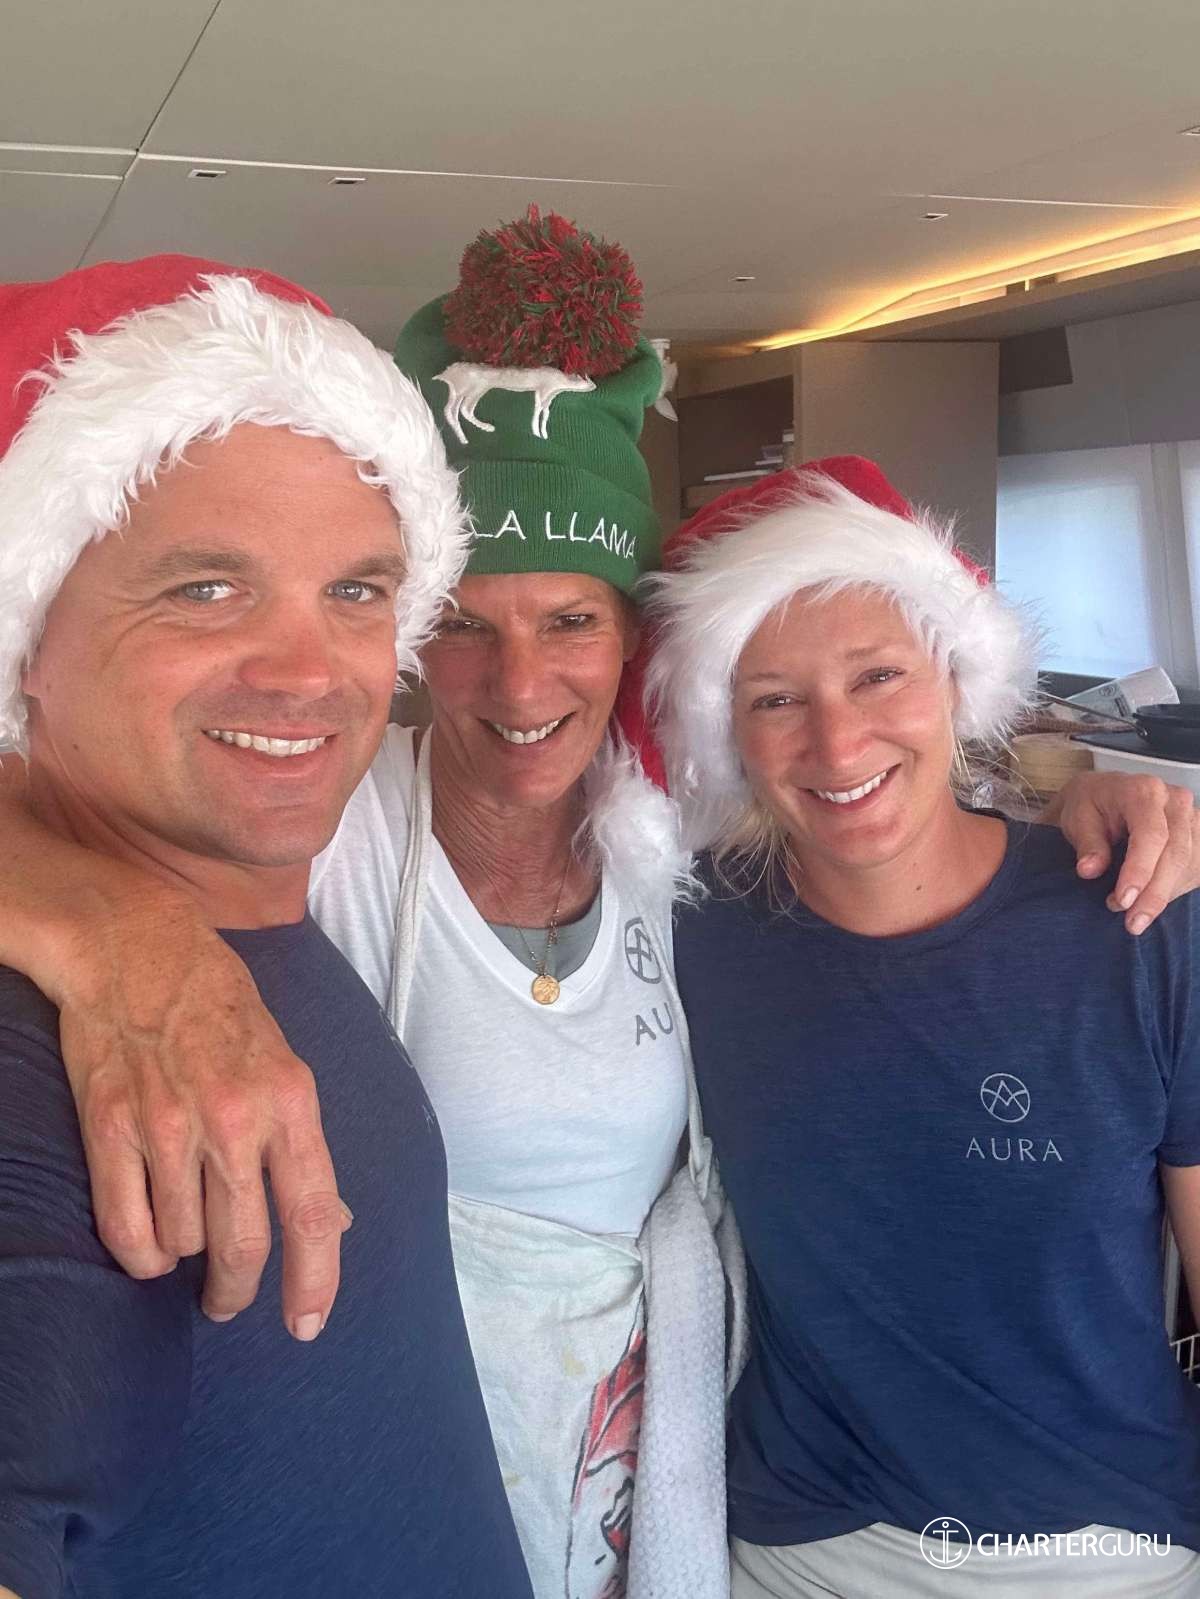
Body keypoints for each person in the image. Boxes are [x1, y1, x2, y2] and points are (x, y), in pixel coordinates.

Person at [0, 225, 1195, 1599]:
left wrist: (1090, 799)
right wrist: (107, 927)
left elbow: (873, 819)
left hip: (672, 1496)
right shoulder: (317, 822)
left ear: (631, 643)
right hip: (740, 1528)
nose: (520, 685)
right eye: (464, 623)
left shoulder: (683, 861)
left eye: (571, 620)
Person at [0, 255, 533, 1599]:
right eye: (205, 588)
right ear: (25, 634)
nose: (310, 674)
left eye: (357, 591)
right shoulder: (60, 1064)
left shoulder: (205, 930)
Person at [643, 457, 1200, 1597]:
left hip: (1103, 1547)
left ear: (956, 677)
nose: (838, 743)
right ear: (729, 731)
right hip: (803, 1549)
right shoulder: (688, 934)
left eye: (878, 675)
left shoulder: (1140, 921)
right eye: (775, 699)